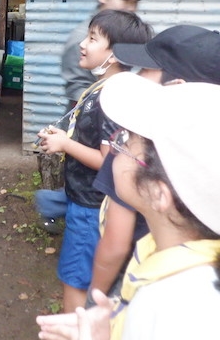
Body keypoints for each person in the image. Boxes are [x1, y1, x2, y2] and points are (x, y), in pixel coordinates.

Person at [37, 72, 220, 339]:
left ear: (159, 194)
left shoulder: (179, 308)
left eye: (125, 141)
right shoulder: (159, 255)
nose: (113, 147)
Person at [87, 25, 220, 305]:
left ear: (177, 87)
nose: (136, 75)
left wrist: (94, 297)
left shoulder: (145, 150)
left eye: (146, 70)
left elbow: (115, 241)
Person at [37, 9, 153, 313]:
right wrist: (63, 137)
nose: (82, 44)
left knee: (75, 284)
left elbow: (107, 161)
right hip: (86, 201)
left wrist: (64, 144)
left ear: (113, 54)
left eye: (92, 38)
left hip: (90, 208)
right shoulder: (106, 88)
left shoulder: (112, 97)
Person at [61, 0, 154, 107]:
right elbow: (78, 92)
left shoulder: (130, 31)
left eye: (135, 2)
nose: (131, 8)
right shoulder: (82, 40)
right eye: (126, 0)